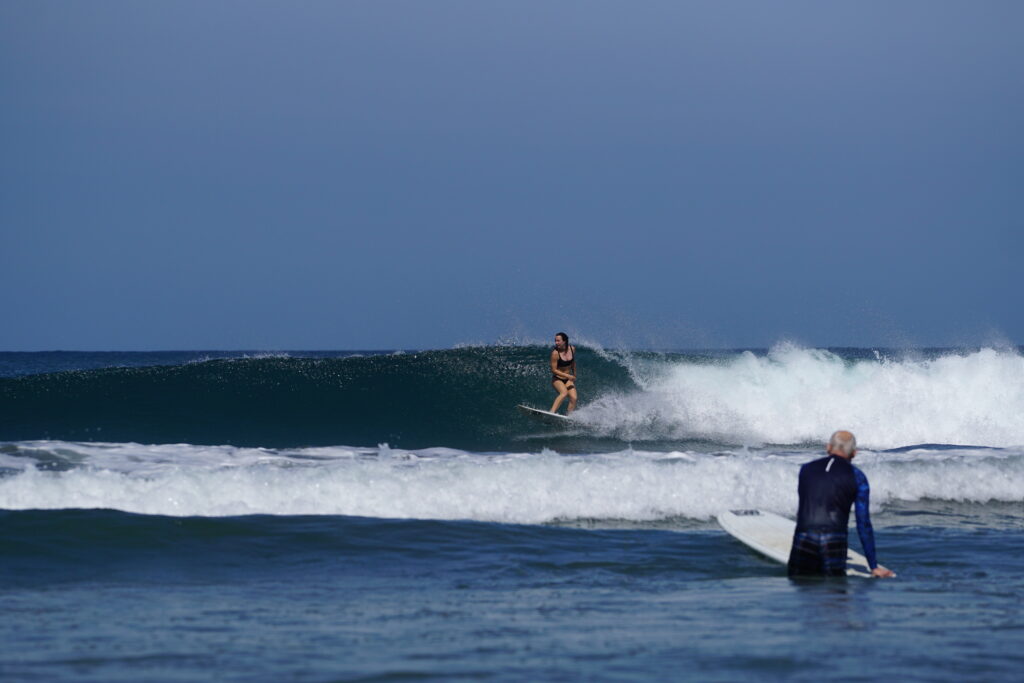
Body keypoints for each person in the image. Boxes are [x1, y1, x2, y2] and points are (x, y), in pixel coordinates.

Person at [788, 430, 895, 578]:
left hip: (805, 537)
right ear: (854, 453)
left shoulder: (805, 470)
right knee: (835, 594)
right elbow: (862, 522)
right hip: (834, 540)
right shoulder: (857, 476)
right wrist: (873, 566)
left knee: (802, 589)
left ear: (828, 447)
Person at [549, 332, 578, 414]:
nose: (556, 343)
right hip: (557, 379)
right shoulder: (555, 353)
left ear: (564, 341)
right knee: (564, 393)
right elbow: (553, 370)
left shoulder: (572, 349)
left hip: (568, 379)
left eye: (558, 341)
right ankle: (552, 412)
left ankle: (568, 417)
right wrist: (567, 375)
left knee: (574, 398)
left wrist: (574, 374)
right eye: (555, 341)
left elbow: (573, 362)